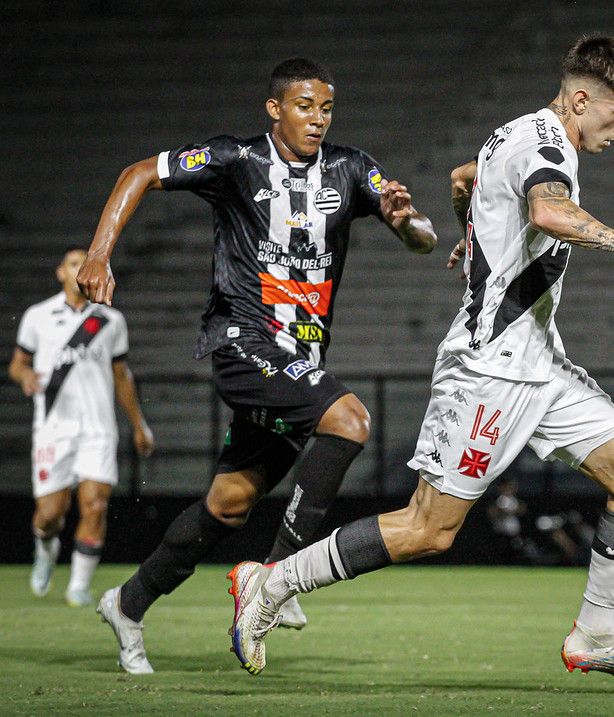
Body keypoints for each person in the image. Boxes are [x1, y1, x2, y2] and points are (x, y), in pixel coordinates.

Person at [224, 34, 614, 682]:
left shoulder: (515, 134)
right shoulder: (547, 150)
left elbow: (464, 177)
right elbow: (549, 210)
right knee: (428, 528)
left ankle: (593, 635)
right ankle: (271, 582)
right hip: (490, 369)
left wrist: (474, 230)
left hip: (541, 365)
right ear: (580, 100)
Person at [77, 57, 437, 674]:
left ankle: (127, 604)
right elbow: (139, 173)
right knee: (350, 420)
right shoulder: (234, 160)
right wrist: (98, 253)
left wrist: (406, 223)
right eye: (305, 106)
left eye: (326, 108)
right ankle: (277, 579)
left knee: (228, 504)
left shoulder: (352, 168)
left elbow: (423, 237)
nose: (318, 119)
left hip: (298, 359)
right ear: (275, 109)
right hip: (243, 342)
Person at [8, 247, 154, 608]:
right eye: (73, 263)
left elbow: (121, 376)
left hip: (98, 428)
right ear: (61, 272)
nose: (79, 269)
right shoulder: (38, 316)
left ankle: (78, 585)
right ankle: (45, 547)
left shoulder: (110, 319)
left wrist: (139, 425)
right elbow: (17, 364)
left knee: (95, 504)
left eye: (85, 262)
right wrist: (26, 376)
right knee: (50, 514)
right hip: (54, 428)